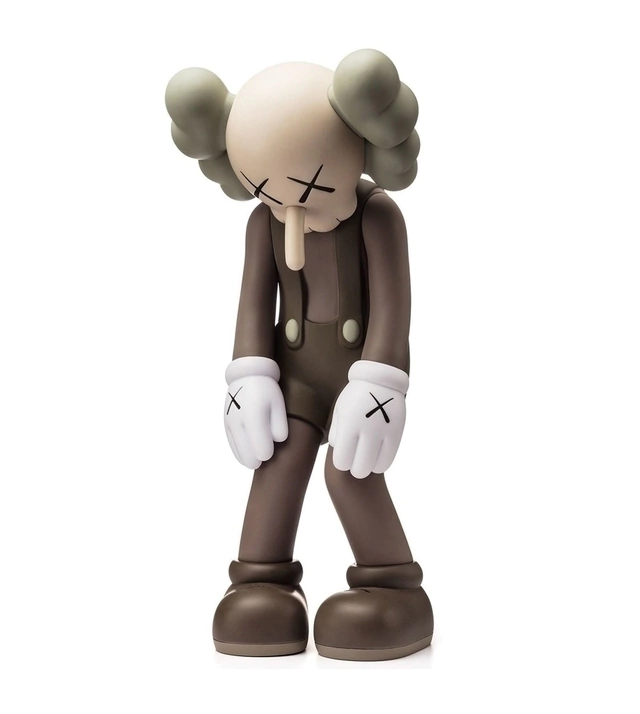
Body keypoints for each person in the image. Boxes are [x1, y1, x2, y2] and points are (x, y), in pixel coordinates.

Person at [165, 49, 433, 661]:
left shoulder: (377, 218)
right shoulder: (262, 224)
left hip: (358, 377)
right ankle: (260, 582)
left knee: (348, 472)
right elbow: (252, 303)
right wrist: (247, 373)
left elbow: (394, 308)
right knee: (279, 460)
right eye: (263, 189)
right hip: (294, 378)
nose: (288, 209)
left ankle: (393, 585)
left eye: (307, 188)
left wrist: (382, 381)